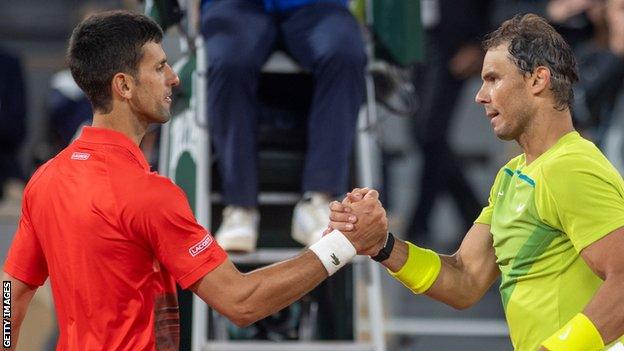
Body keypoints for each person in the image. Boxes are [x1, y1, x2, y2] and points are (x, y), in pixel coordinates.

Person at [1, 11, 387, 350]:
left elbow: (9, 292)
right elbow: (241, 302)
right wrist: (344, 244)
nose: (173, 78)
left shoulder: (46, 179)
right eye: (159, 67)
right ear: (124, 86)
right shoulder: (150, 195)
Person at [330, 14, 624, 351]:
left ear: (538, 79)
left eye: (494, 79)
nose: (480, 96)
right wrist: (382, 245)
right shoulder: (513, 175)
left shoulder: (573, 167)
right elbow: (465, 278)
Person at [200, 0, 366, 252]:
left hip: (316, 5)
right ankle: (240, 208)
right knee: (229, 62)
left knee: (344, 53)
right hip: (234, 6)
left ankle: (320, 200)